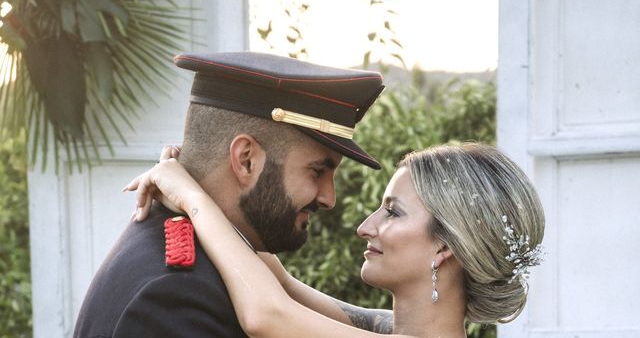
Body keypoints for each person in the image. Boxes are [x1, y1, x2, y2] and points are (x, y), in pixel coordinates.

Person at [73, 51, 385, 338]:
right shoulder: (179, 294)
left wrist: (195, 200)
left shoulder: (205, 272)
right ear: (246, 160)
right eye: (317, 171)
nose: (328, 198)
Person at [126, 142, 546, 338]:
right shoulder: (389, 329)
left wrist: (191, 195)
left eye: (393, 212)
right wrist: (204, 175)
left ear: (444, 247)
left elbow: (266, 314)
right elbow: (277, 279)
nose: (366, 225)